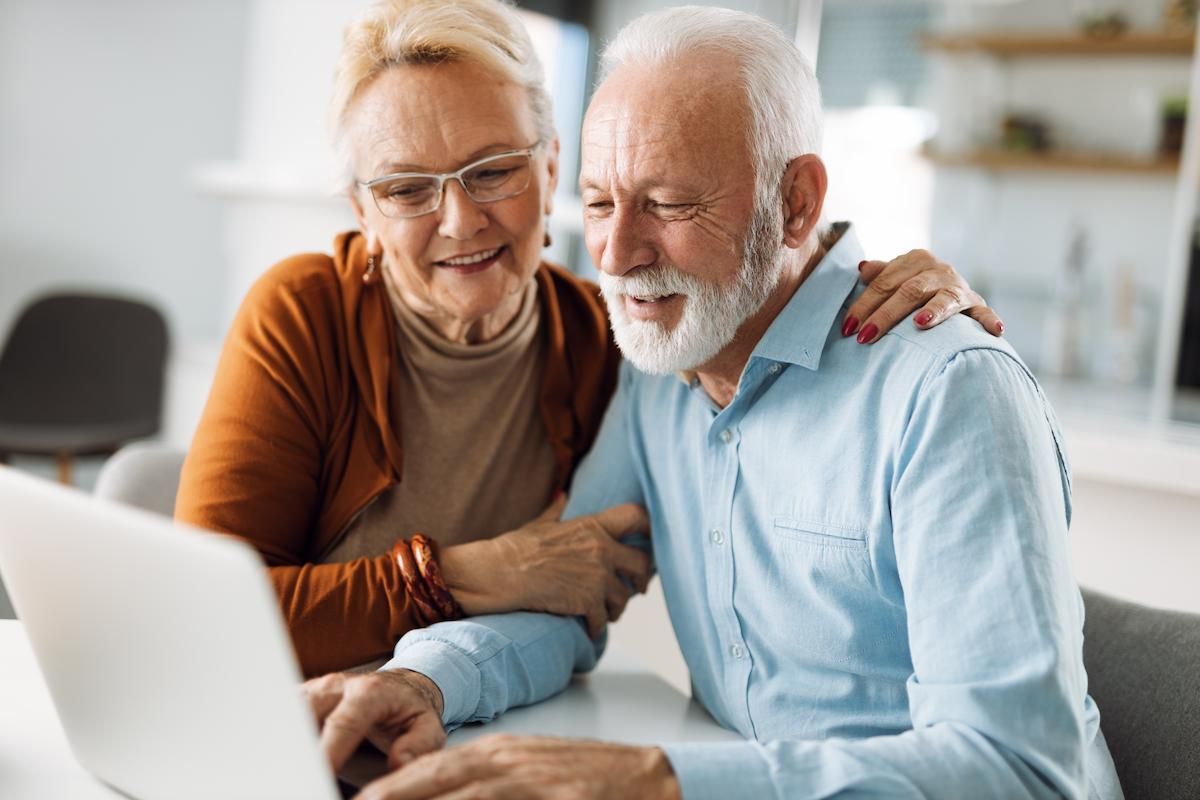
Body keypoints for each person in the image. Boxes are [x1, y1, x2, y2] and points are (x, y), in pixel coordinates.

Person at [302, 6, 1124, 800]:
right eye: (597, 201)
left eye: (668, 203)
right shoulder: (663, 368)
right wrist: (426, 680)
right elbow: (570, 597)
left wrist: (657, 783)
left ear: (794, 203)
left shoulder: (948, 391)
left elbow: (1018, 772)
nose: (617, 255)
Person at [176, 0, 1001, 678]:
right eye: (406, 188)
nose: (460, 220)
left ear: (548, 168)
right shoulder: (304, 313)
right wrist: (473, 573)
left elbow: (746, 292)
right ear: (362, 210)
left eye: (492, 170)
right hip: (284, 718)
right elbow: (201, 618)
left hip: (462, 725)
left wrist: (906, 282)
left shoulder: (613, 338)